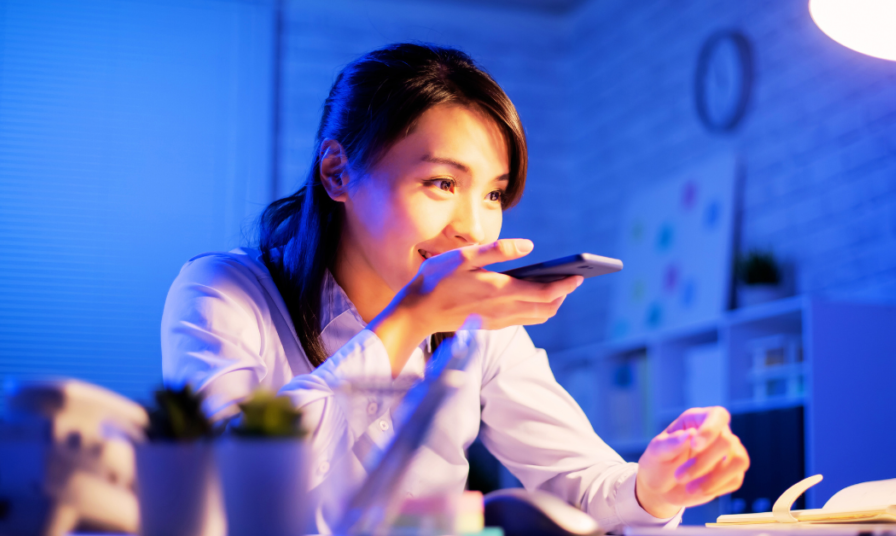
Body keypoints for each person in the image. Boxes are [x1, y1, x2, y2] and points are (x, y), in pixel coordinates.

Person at [161, 43, 749, 534]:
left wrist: (656, 484)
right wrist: (408, 321)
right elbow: (222, 489)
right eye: (442, 182)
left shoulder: (480, 328)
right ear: (337, 172)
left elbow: (585, 485)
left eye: (493, 194)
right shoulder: (223, 291)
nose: (472, 226)